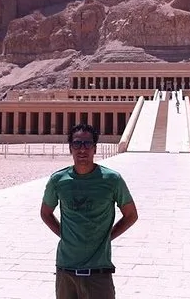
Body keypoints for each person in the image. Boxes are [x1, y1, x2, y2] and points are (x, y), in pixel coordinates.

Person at [40, 123, 138, 299]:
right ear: (70, 148)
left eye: (87, 144)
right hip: (66, 269)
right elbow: (45, 213)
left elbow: (131, 215)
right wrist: (64, 234)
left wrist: (108, 236)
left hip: (98, 271)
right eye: (77, 144)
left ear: (95, 148)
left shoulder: (112, 180)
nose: (82, 149)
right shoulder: (58, 180)